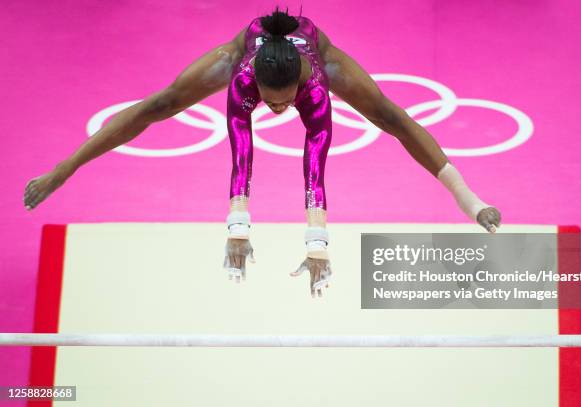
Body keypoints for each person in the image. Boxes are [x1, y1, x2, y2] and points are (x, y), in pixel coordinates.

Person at [23, 7, 501, 298]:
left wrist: (317, 243)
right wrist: (237, 228)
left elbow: (315, 166)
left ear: (301, 84)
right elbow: (241, 158)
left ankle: (467, 197)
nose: (277, 110)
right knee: (161, 103)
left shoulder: (316, 84)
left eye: (284, 100)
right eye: (271, 103)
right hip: (244, 49)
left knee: (390, 117)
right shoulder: (242, 79)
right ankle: (66, 167)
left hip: (318, 50)